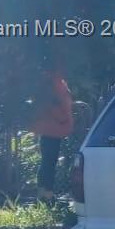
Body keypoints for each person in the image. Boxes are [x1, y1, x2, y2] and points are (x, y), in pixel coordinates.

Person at [30, 69, 74, 201]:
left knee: (47, 161)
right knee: (49, 161)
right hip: (53, 128)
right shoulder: (54, 83)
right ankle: (46, 193)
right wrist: (63, 118)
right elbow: (54, 105)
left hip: (51, 128)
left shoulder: (51, 82)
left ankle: (43, 192)